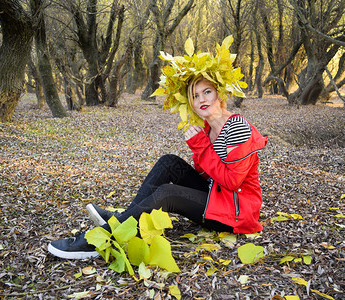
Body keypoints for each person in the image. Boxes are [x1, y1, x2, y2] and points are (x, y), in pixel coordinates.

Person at [48, 37, 268, 260]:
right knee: (169, 162)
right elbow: (206, 173)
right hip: (217, 195)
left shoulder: (237, 128)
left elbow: (232, 182)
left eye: (207, 92)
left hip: (236, 213)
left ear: (219, 93)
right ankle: (124, 219)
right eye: (194, 95)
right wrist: (200, 145)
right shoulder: (208, 127)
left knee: (167, 194)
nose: (201, 99)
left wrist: (200, 145)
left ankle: (99, 240)